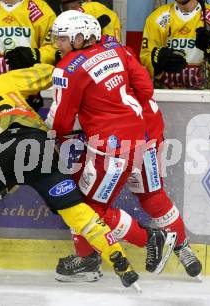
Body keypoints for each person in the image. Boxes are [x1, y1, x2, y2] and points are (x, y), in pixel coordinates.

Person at [0, 61, 176, 290]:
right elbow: (51, 73)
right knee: (75, 211)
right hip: (39, 147)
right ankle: (119, 261)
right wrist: (30, 88)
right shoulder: (2, 82)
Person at [45, 11, 177, 282]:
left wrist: (51, 137)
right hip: (138, 137)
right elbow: (144, 89)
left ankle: (148, 239)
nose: (58, 45)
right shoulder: (115, 50)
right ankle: (89, 258)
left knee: (86, 207)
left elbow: (60, 121)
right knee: (89, 202)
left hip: (110, 147)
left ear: (79, 37)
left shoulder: (68, 68)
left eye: (62, 39)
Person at [140, 0, 210, 89]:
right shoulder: (156, 18)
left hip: (205, 96)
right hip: (166, 94)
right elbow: (145, 59)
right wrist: (158, 60)